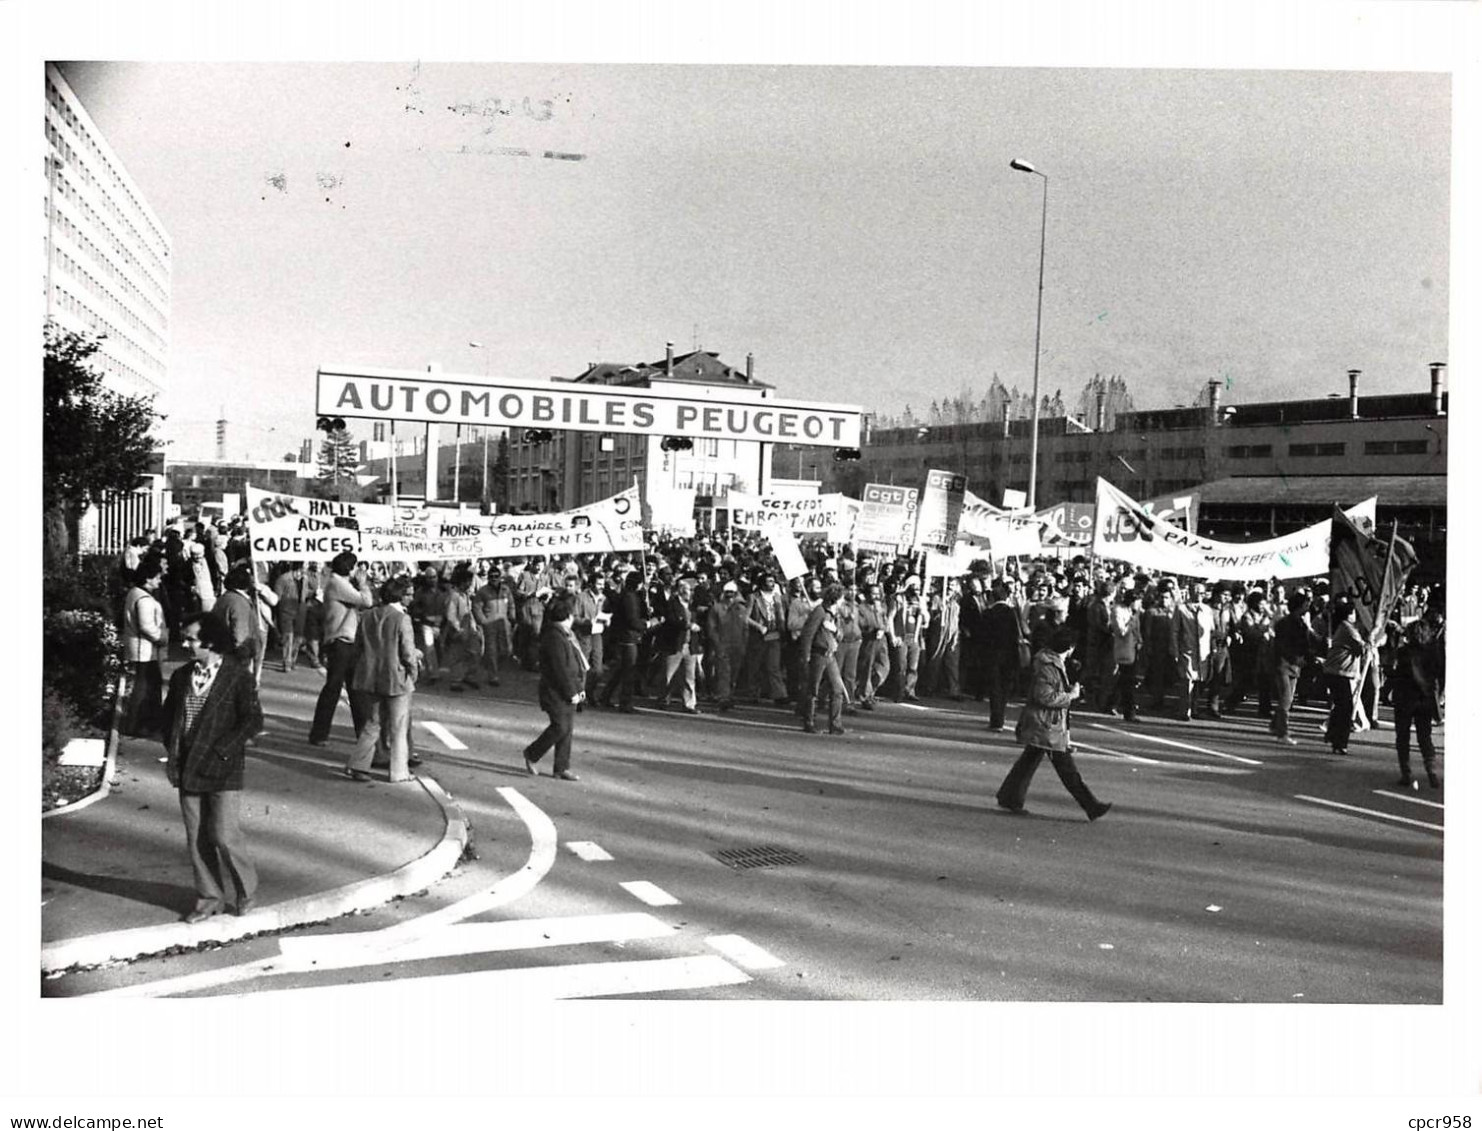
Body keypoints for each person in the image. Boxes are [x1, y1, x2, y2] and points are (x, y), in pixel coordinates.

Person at [160, 612, 263, 922]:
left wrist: (224, 749)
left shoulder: (237, 676)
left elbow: (253, 720)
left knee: (223, 834)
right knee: (196, 837)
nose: (186, 643)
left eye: (191, 638)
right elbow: (169, 718)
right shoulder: (181, 677)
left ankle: (246, 891)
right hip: (188, 764)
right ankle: (209, 899)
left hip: (222, 766)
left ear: (211, 642)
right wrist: (173, 749)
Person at [995, 624, 1111, 821]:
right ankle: (1090, 805)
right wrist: (1070, 696)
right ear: (1069, 647)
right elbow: (1044, 697)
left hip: (1047, 724)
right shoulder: (1049, 667)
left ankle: (1010, 796)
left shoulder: (1051, 662)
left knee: (1028, 762)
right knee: (1067, 770)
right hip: (1046, 724)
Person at [344, 576, 421, 783]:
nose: (411, 599)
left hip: (369, 676)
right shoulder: (402, 619)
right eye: (409, 594)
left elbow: (358, 646)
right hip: (396, 678)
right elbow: (407, 652)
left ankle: (358, 764)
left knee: (372, 723)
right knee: (398, 726)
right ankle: (399, 771)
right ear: (400, 596)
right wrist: (413, 673)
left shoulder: (368, 616)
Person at [308, 551, 375, 746]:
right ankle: (319, 733)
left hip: (347, 641)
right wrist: (363, 583)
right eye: (355, 566)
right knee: (333, 688)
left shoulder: (339, 583)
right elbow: (366, 601)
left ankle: (363, 734)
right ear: (349, 568)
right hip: (340, 641)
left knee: (356, 690)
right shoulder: (338, 583)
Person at [521, 593, 587, 780]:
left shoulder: (565, 635)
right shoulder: (554, 637)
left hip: (568, 689)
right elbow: (560, 669)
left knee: (567, 729)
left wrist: (579, 689)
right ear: (567, 617)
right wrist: (571, 691)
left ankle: (561, 767)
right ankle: (532, 753)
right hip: (555, 691)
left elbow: (575, 664)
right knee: (560, 727)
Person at [1388, 619, 1442, 789]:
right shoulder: (1432, 652)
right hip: (1424, 698)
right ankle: (1431, 772)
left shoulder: (1404, 652)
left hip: (1404, 697)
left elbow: (1392, 670)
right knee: (1425, 737)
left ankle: (1406, 773)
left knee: (1403, 736)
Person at [120, 559, 167, 737]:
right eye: (157, 578)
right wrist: (161, 638)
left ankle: (149, 722)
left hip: (140, 647)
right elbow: (146, 626)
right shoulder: (144, 599)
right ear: (148, 578)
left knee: (149, 686)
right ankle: (137, 725)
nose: (159, 581)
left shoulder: (134, 593)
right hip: (144, 649)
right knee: (144, 688)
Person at [1271, 590, 1324, 744]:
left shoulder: (1301, 622)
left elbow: (1308, 642)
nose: (1308, 605)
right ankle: (1282, 733)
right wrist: (1295, 658)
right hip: (1283, 663)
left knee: (1288, 697)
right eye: (1305, 603)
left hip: (1295, 665)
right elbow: (1281, 645)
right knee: (1286, 699)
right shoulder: (1285, 623)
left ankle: (1276, 724)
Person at [798, 582, 847, 734]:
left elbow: (840, 634)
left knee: (837, 689)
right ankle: (809, 721)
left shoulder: (835, 614)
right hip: (818, 654)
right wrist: (805, 656)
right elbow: (808, 634)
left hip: (830, 655)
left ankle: (835, 724)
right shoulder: (819, 611)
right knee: (813, 689)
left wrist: (835, 629)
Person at [1322, 597, 1366, 756]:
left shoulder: (1343, 627)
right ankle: (1340, 742)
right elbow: (1362, 648)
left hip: (1335, 671)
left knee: (1341, 706)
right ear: (1350, 614)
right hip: (1339, 672)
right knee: (1346, 708)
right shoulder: (1348, 629)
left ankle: (1333, 735)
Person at [273, 563, 305, 672]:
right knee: (288, 637)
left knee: (298, 638)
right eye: (302, 570)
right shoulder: (283, 579)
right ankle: (286, 662)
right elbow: (277, 596)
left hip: (300, 610)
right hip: (286, 611)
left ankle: (293, 660)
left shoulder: (304, 579)